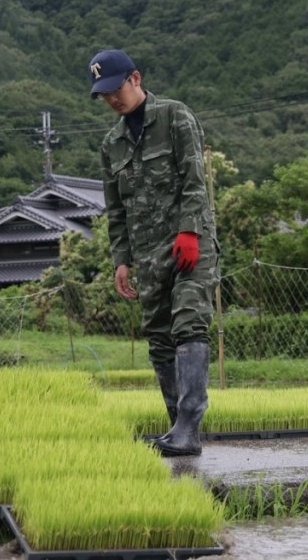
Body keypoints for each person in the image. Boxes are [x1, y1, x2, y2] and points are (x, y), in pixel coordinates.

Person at [89, 48, 220, 457]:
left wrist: (189, 231)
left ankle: (188, 424)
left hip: (188, 245)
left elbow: (195, 180)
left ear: (136, 79)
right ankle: (177, 429)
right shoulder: (111, 144)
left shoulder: (175, 116)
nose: (112, 99)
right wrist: (121, 260)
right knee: (160, 339)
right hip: (147, 256)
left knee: (188, 321)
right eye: (104, 95)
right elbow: (116, 210)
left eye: (116, 89)